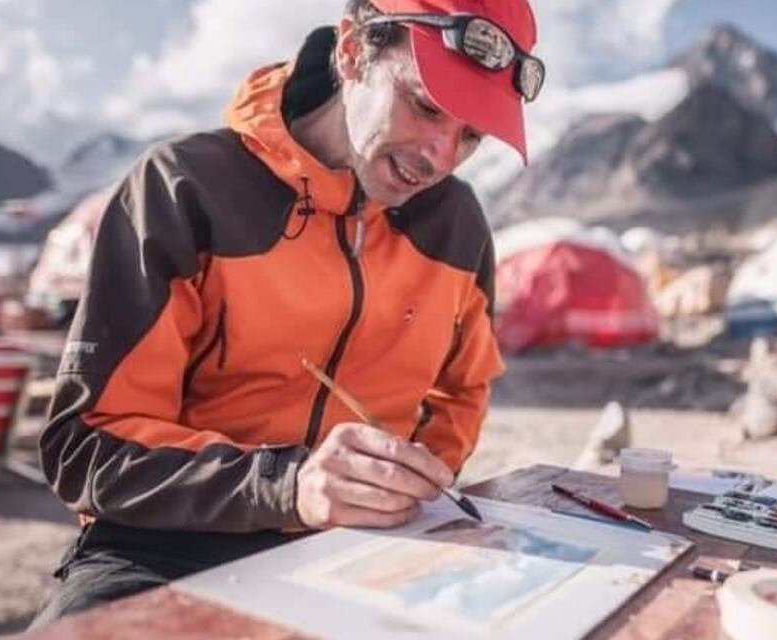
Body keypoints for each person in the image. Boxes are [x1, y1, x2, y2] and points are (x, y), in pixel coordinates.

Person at [32, 0, 543, 626]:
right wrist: (286, 487)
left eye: (471, 135)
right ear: (354, 50)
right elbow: (86, 447)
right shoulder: (184, 188)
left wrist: (402, 488)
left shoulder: (457, 224)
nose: (439, 157)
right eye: (426, 105)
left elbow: (460, 394)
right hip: (165, 550)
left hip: (364, 551)